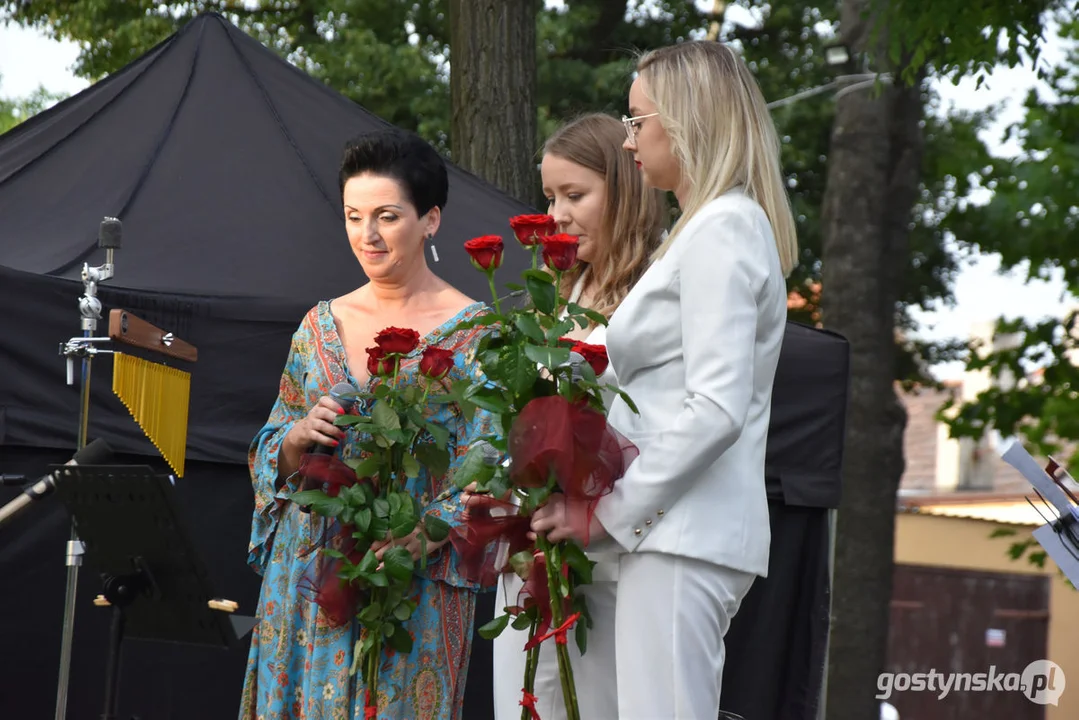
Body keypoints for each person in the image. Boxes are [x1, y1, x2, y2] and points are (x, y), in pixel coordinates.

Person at [530, 41, 799, 720]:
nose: (627, 141)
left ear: (687, 123)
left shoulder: (724, 228)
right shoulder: (704, 228)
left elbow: (714, 407)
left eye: (636, 120)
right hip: (673, 533)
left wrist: (607, 514)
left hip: (686, 534)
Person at [240, 128, 494, 720]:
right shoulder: (318, 324)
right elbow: (269, 447)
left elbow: (490, 465)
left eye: (386, 216)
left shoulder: (477, 334)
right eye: (354, 216)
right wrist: (296, 439)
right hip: (309, 572)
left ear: (431, 219)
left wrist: (424, 534)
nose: (367, 235)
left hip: (411, 574)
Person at [491, 113, 667, 720]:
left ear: (625, 189)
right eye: (550, 197)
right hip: (537, 544)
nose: (557, 215)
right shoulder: (556, 295)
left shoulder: (656, 293)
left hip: (610, 553)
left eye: (575, 195)